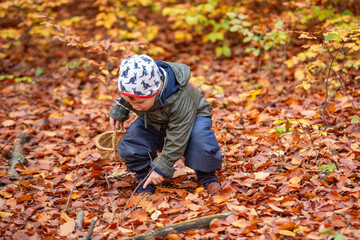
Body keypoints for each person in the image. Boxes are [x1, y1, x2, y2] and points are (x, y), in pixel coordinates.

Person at [109, 54, 222, 195]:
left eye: (139, 103)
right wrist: (120, 110)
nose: (135, 107)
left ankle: (207, 175)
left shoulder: (180, 97)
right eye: (131, 103)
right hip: (156, 119)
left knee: (199, 139)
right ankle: (145, 177)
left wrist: (162, 167)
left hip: (192, 118)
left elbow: (178, 137)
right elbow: (128, 97)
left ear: (155, 91)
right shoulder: (138, 91)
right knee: (132, 141)